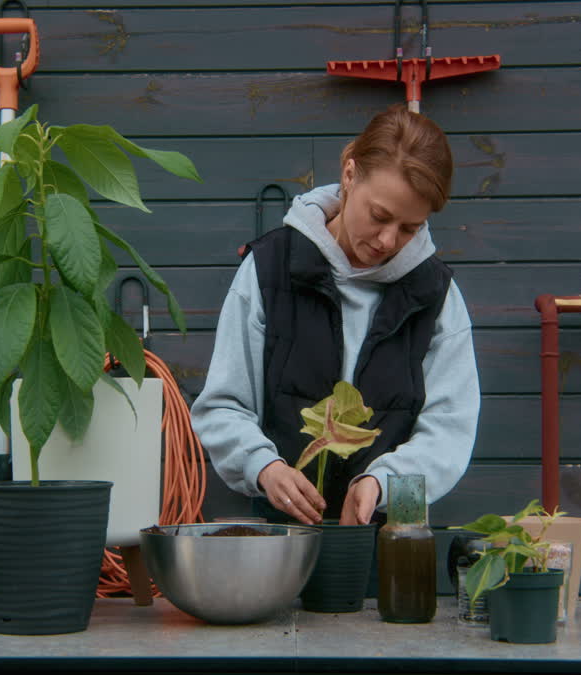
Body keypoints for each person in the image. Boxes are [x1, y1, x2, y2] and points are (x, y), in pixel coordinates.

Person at [191, 104, 480, 527]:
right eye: (379, 216)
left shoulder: (437, 294)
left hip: (387, 543)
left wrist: (382, 483)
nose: (387, 240)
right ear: (349, 175)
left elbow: (449, 431)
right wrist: (263, 468)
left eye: (409, 228)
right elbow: (223, 404)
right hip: (279, 542)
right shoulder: (270, 268)